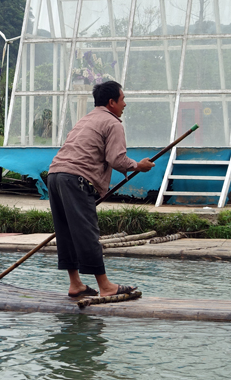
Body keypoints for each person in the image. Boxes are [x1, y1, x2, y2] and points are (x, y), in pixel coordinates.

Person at [47, 81, 154, 298]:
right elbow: (116, 159)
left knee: (66, 232)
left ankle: (75, 283)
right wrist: (138, 166)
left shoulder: (85, 119)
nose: (125, 104)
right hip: (76, 179)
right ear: (111, 102)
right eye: (122, 99)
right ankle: (105, 286)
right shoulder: (113, 123)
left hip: (55, 175)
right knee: (87, 232)